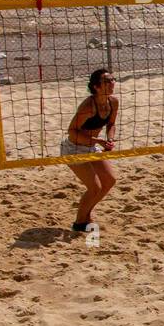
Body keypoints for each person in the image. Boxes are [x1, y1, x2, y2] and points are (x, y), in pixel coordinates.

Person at [63, 68, 119, 232]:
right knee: (95, 187)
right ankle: (80, 222)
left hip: (91, 146)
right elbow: (72, 132)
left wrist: (110, 138)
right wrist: (97, 140)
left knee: (109, 181)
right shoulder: (88, 106)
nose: (111, 83)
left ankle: (87, 214)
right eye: (106, 81)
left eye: (112, 79)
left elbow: (111, 124)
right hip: (73, 148)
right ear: (96, 87)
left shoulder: (113, 102)